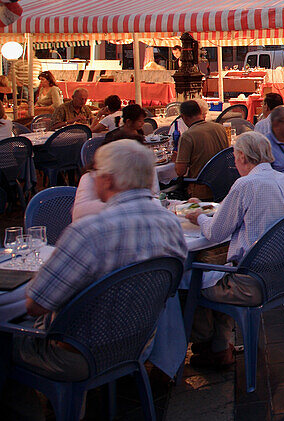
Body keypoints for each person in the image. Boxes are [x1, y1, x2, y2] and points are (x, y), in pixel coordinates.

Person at [19, 140, 186, 380]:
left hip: (77, 354)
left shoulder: (89, 231)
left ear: (107, 180)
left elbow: (36, 306)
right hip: (137, 343)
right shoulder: (170, 224)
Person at [185, 132, 284, 368]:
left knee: (187, 278)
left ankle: (207, 345)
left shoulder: (246, 184)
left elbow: (216, 233)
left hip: (249, 283)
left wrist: (198, 217)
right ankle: (220, 346)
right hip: (281, 276)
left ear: (241, 156)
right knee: (219, 267)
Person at [174, 99, 230, 197]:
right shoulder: (220, 128)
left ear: (183, 117)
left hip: (201, 189)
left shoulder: (188, 136)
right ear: (201, 112)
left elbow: (180, 171)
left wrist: (176, 160)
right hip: (222, 185)